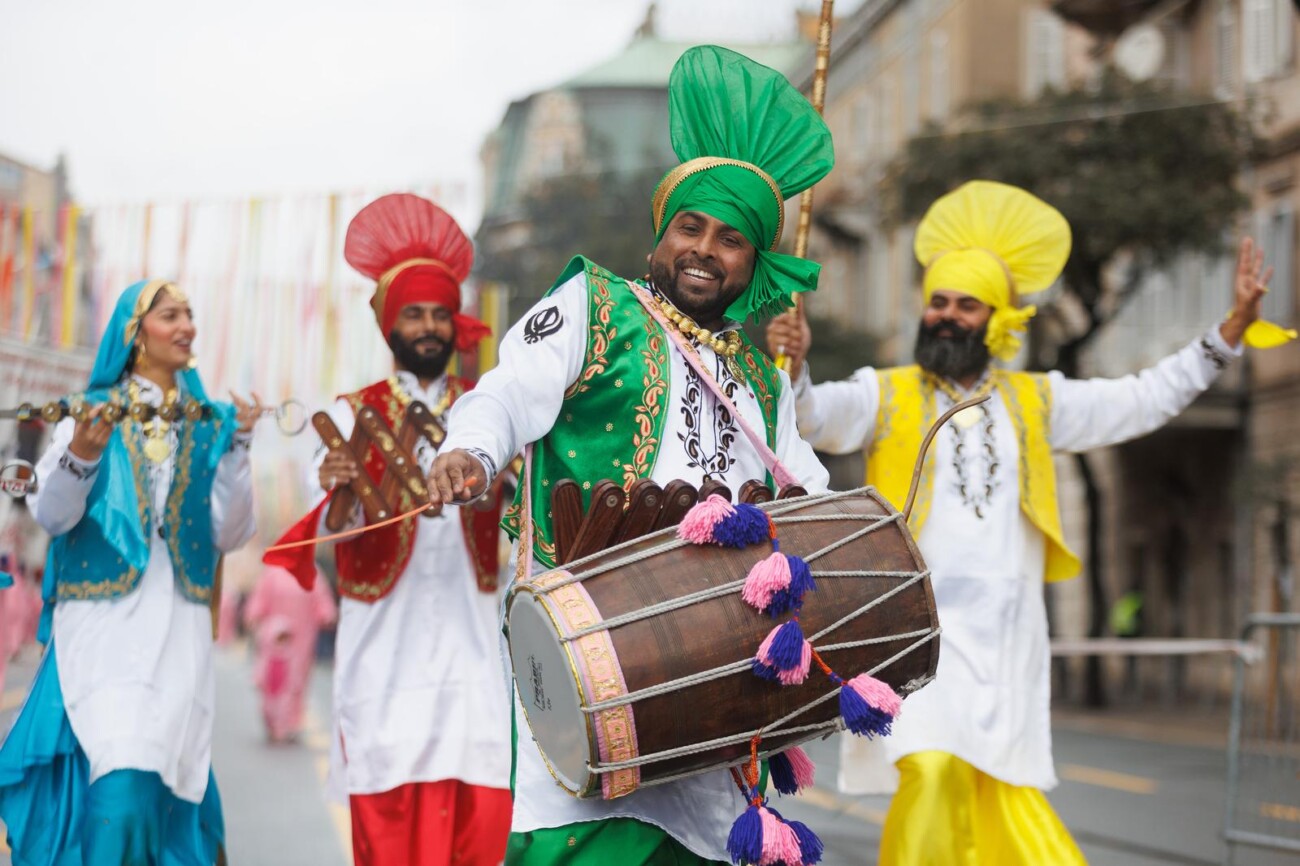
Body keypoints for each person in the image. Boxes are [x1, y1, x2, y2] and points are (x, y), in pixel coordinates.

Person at [765, 179, 1294, 864]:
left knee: (1000, 795)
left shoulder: (1037, 402)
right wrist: (796, 368)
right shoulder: (884, 392)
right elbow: (811, 418)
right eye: (938, 302)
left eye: (966, 305)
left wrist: (1223, 338)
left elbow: (1138, 400)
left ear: (998, 320)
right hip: (915, 641)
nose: (947, 316)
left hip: (1006, 644)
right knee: (928, 774)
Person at [428, 45, 833, 866]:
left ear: (752, 265)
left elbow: (811, 495)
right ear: (662, 233)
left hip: (716, 687)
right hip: (587, 674)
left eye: (730, 239)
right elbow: (508, 391)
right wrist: (470, 449)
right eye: (691, 226)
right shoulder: (594, 306)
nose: (704, 249)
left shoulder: (763, 380)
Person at [265, 193, 512, 866]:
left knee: (484, 814)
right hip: (384, 654)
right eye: (415, 313)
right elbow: (332, 538)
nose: (430, 326)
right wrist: (340, 488)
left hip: (476, 650)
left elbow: (522, 513)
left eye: (440, 312)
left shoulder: (489, 411)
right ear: (390, 324)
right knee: (389, 816)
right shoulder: (350, 416)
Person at [0, 279, 260, 864]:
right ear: (134, 334)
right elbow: (51, 512)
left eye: (190, 314)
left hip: (178, 632)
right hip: (105, 627)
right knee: (121, 771)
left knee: (165, 778)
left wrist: (240, 446)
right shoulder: (86, 416)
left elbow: (231, 532)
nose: (187, 326)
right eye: (171, 315)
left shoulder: (211, 422)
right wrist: (82, 455)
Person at [243, 563, 337, 742]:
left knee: (296, 683)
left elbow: (323, 602)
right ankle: (272, 719)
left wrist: (327, 615)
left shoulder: (312, 572)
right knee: (271, 682)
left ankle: (291, 723)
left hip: (302, 640)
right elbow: (259, 599)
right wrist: (253, 616)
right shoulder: (273, 573)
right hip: (274, 639)